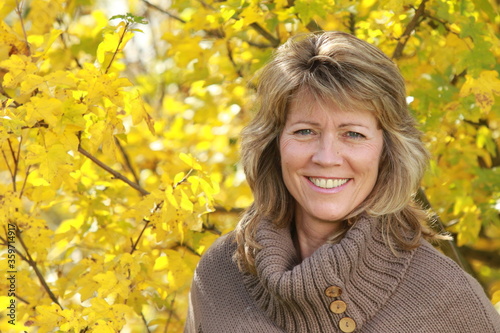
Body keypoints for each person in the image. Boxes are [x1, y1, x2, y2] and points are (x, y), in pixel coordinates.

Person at [184, 31, 500, 332]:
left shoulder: (444, 295)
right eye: (305, 131)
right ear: (274, 143)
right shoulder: (218, 276)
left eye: (353, 134)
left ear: (386, 150)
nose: (327, 157)